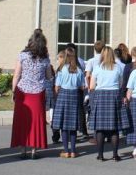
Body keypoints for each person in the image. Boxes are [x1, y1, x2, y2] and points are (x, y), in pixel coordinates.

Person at [11, 29, 53, 159]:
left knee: (22, 120)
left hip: (23, 91)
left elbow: (17, 75)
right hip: (38, 91)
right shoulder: (45, 58)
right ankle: (34, 150)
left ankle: (23, 150)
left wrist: (13, 90)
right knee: (36, 121)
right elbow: (49, 76)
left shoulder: (22, 56)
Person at [89, 46, 125, 161]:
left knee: (100, 128)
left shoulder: (98, 68)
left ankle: (100, 155)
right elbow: (120, 84)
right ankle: (115, 155)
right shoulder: (118, 67)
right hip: (114, 96)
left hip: (100, 96)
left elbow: (92, 86)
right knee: (114, 128)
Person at [52, 47, 86, 158]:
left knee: (64, 125)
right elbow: (82, 86)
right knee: (73, 125)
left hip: (63, 95)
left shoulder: (62, 69)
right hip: (75, 96)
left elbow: (57, 87)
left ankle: (66, 151)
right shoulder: (79, 70)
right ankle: (73, 151)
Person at [47, 51, 65, 144]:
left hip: (58, 95)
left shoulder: (61, 69)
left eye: (58, 58)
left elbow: (56, 84)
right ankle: (59, 135)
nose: (57, 60)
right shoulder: (59, 68)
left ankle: (56, 135)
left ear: (62, 58)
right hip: (58, 95)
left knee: (56, 117)